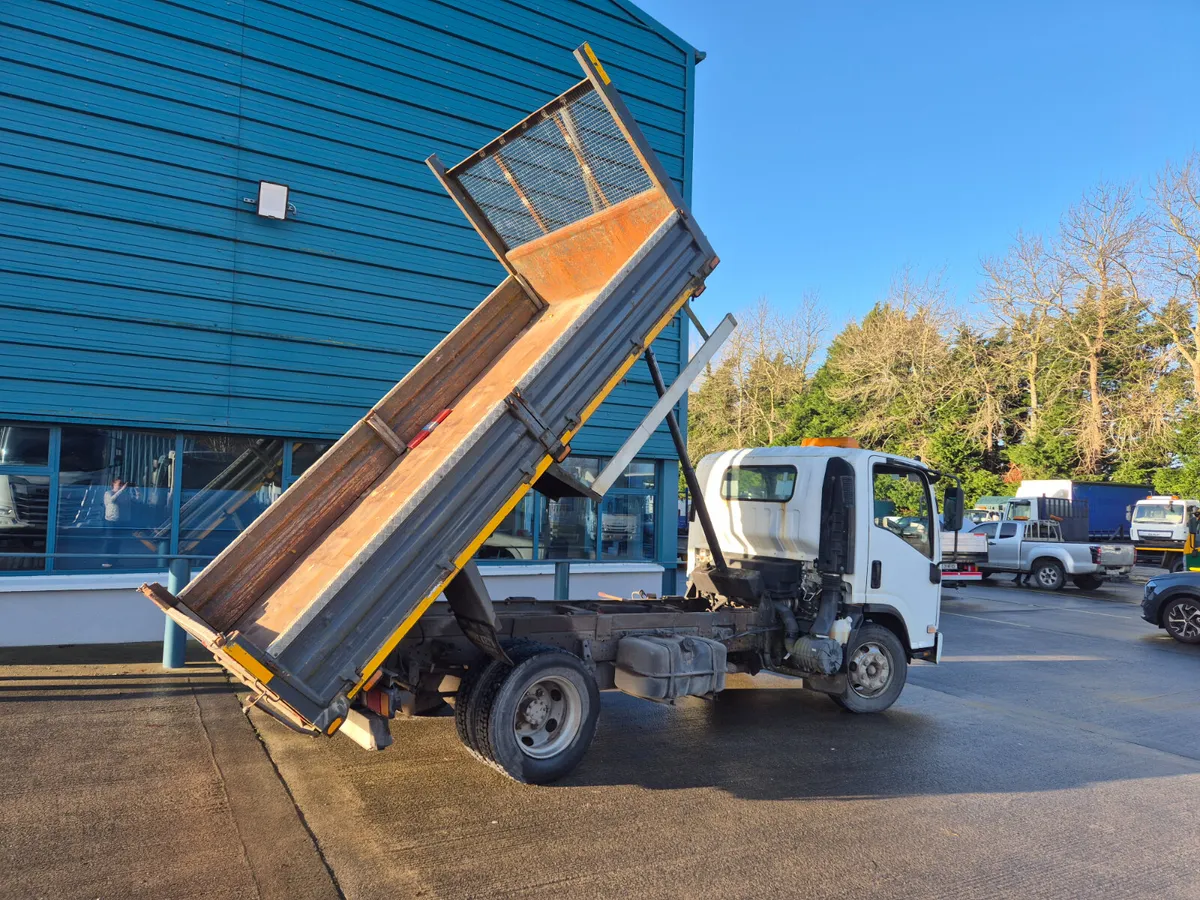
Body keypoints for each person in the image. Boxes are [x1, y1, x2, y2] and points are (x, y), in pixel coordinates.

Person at [102, 476, 133, 567]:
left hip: (120, 520)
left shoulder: (123, 494)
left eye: (122, 484)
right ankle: (107, 561)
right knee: (110, 540)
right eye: (119, 484)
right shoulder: (108, 493)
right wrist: (122, 490)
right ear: (113, 484)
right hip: (110, 520)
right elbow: (112, 500)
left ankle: (114, 561)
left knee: (118, 541)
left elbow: (129, 504)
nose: (121, 486)